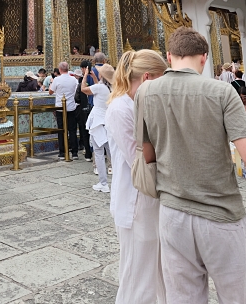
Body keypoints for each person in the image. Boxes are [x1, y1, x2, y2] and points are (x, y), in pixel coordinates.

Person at [139, 28, 246, 303]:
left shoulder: (146, 92)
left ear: (169, 56)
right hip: (220, 214)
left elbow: (147, 156)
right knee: (242, 297)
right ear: (204, 58)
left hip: (172, 213)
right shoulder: (221, 91)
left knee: (183, 297)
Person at [105, 49, 167, 304]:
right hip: (136, 199)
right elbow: (139, 158)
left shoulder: (140, 104)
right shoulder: (121, 108)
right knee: (138, 277)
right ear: (147, 78)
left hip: (154, 197)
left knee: (162, 271)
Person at [81, 63, 115, 192]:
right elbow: (98, 87)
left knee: (99, 153)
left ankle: (103, 183)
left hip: (98, 122)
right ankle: (117, 182)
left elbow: (84, 89)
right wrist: (94, 76)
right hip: (108, 121)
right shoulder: (110, 87)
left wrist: (85, 76)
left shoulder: (100, 88)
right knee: (111, 152)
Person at [49, 61, 80, 159]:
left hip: (60, 108)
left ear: (59, 69)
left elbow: (50, 92)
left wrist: (51, 83)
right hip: (71, 107)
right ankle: (74, 152)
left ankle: (62, 152)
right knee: (72, 130)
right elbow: (76, 91)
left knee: (61, 130)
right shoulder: (74, 80)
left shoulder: (57, 80)